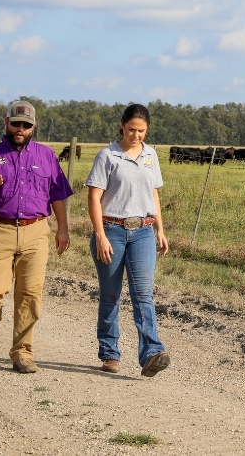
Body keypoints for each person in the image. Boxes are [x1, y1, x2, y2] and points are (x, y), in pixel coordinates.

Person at [0, 100, 72, 373]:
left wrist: (63, 228)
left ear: (34, 127)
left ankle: (22, 352)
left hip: (36, 231)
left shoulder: (47, 156)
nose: (21, 129)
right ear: (6, 123)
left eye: (26, 125)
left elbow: (57, 195)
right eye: (16, 124)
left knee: (30, 294)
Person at [85, 103, 170, 377]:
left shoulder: (151, 155)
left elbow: (153, 194)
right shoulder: (107, 156)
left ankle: (152, 353)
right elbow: (94, 197)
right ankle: (109, 353)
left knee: (143, 294)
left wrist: (160, 229)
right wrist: (100, 235)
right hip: (112, 231)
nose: (136, 135)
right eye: (132, 129)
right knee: (111, 295)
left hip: (143, 231)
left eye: (142, 131)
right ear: (122, 125)